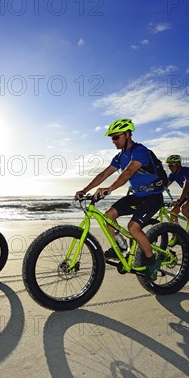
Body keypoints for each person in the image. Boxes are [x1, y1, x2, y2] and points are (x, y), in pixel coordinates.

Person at [75, 119, 164, 281]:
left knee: (133, 228)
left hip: (152, 197)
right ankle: (120, 247)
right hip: (137, 196)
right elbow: (103, 174)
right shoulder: (120, 156)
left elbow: (128, 172)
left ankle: (152, 261)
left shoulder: (140, 151)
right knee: (109, 216)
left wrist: (109, 189)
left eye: (116, 137)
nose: (113, 141)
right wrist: (85, 190)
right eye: (112, 138)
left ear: (128, 134)